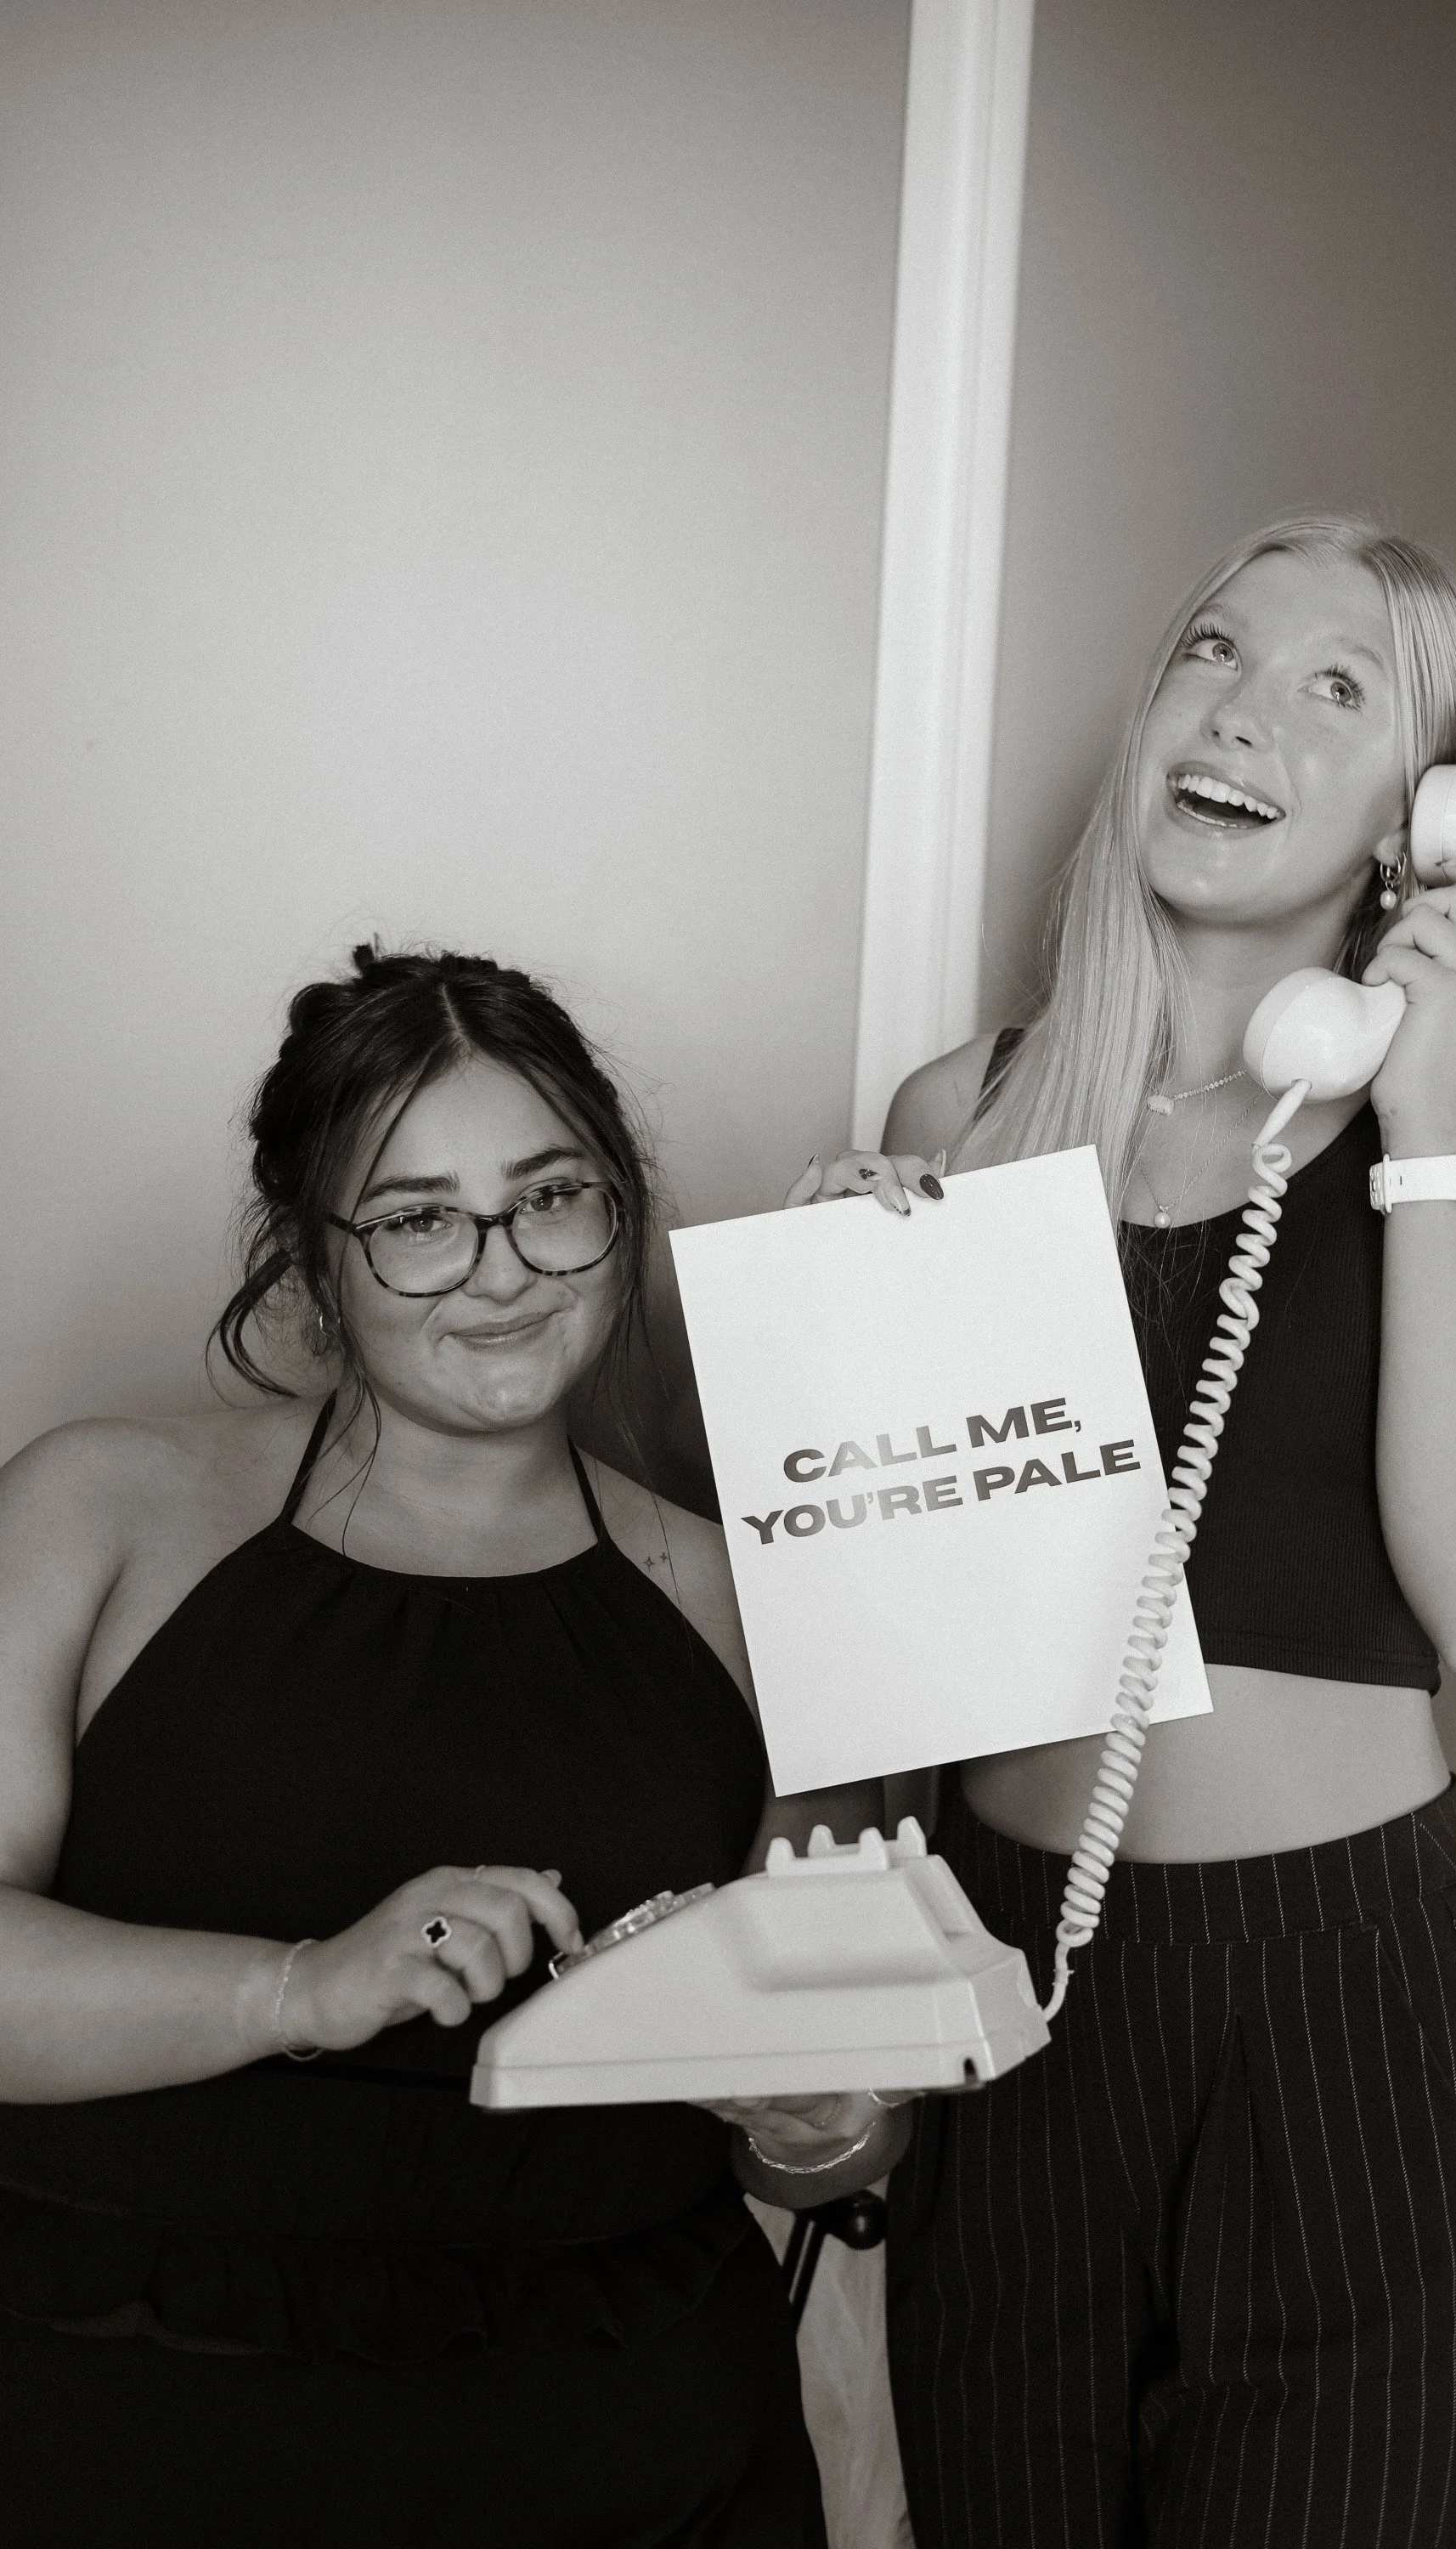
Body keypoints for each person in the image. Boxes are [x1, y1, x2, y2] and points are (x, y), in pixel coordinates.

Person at [793, 517, 1456, 2547]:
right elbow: (897, 1639)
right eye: (1211, 651)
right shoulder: (958, 1114)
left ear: (1423, 832)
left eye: (1336, 687)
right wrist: (846, 1326)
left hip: (1343, 1996)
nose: (1241, 709)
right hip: (1016, 1975)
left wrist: (1416, 1134)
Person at [0, 946, 909, 2548]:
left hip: (637, 2460)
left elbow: (829, 2158)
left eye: (551, 1195)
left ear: (620, 1209)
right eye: (418, 1219)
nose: (500, 1270)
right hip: (136, 2436)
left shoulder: (762, 1600)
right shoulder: (98, 1509)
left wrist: (814, 2114)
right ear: (311, 1255)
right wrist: (302, 1988)